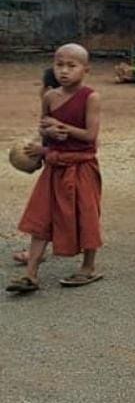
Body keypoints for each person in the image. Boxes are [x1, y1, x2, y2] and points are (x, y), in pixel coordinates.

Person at [7, 46, 104, 294]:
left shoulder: (91, 97)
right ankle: (30, 274)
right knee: (41, 217)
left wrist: (63, 127)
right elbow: (43, 128)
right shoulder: (50, 97)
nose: (64, 71)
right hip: (54, 166)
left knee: (86, 215)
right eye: (59, 65)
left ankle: (88, 268)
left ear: (86, 69)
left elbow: (90, 135)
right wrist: (46, 136)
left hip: (81, 165)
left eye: (72, 66)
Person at [12, 68, 59, 265]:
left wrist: (41, 152)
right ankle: (36, 254)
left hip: (63, 169)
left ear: (47, 89)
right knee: (48, 212)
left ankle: (87, 262)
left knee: (44, 213)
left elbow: (60, 146)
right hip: (59, 168)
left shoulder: (54, 111)